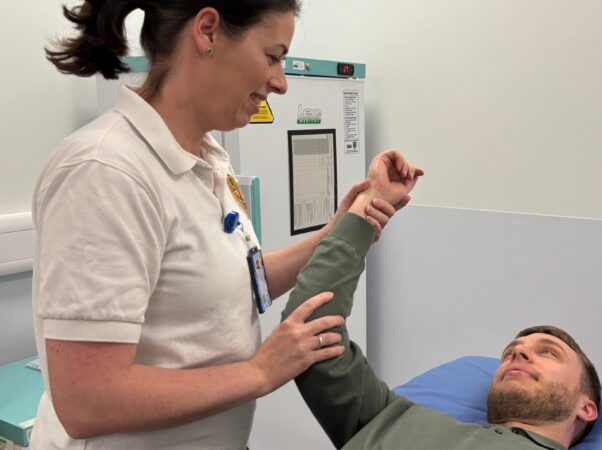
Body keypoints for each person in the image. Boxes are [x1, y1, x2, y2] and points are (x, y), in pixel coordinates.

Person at [32, 1, 421, 449]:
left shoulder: (207, 157)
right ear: (209, 31)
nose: (280, 82)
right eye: (272, 56)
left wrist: (348, 223)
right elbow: (88, 401)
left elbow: (241, 283)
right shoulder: (106, 171)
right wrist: (260, 371)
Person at [281, 177, 601, 449]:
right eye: (511, 352)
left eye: (549, 352)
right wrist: (369, 208)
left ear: (586, 408)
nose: (518, 352)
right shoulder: (387, 416)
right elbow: (309, 324)